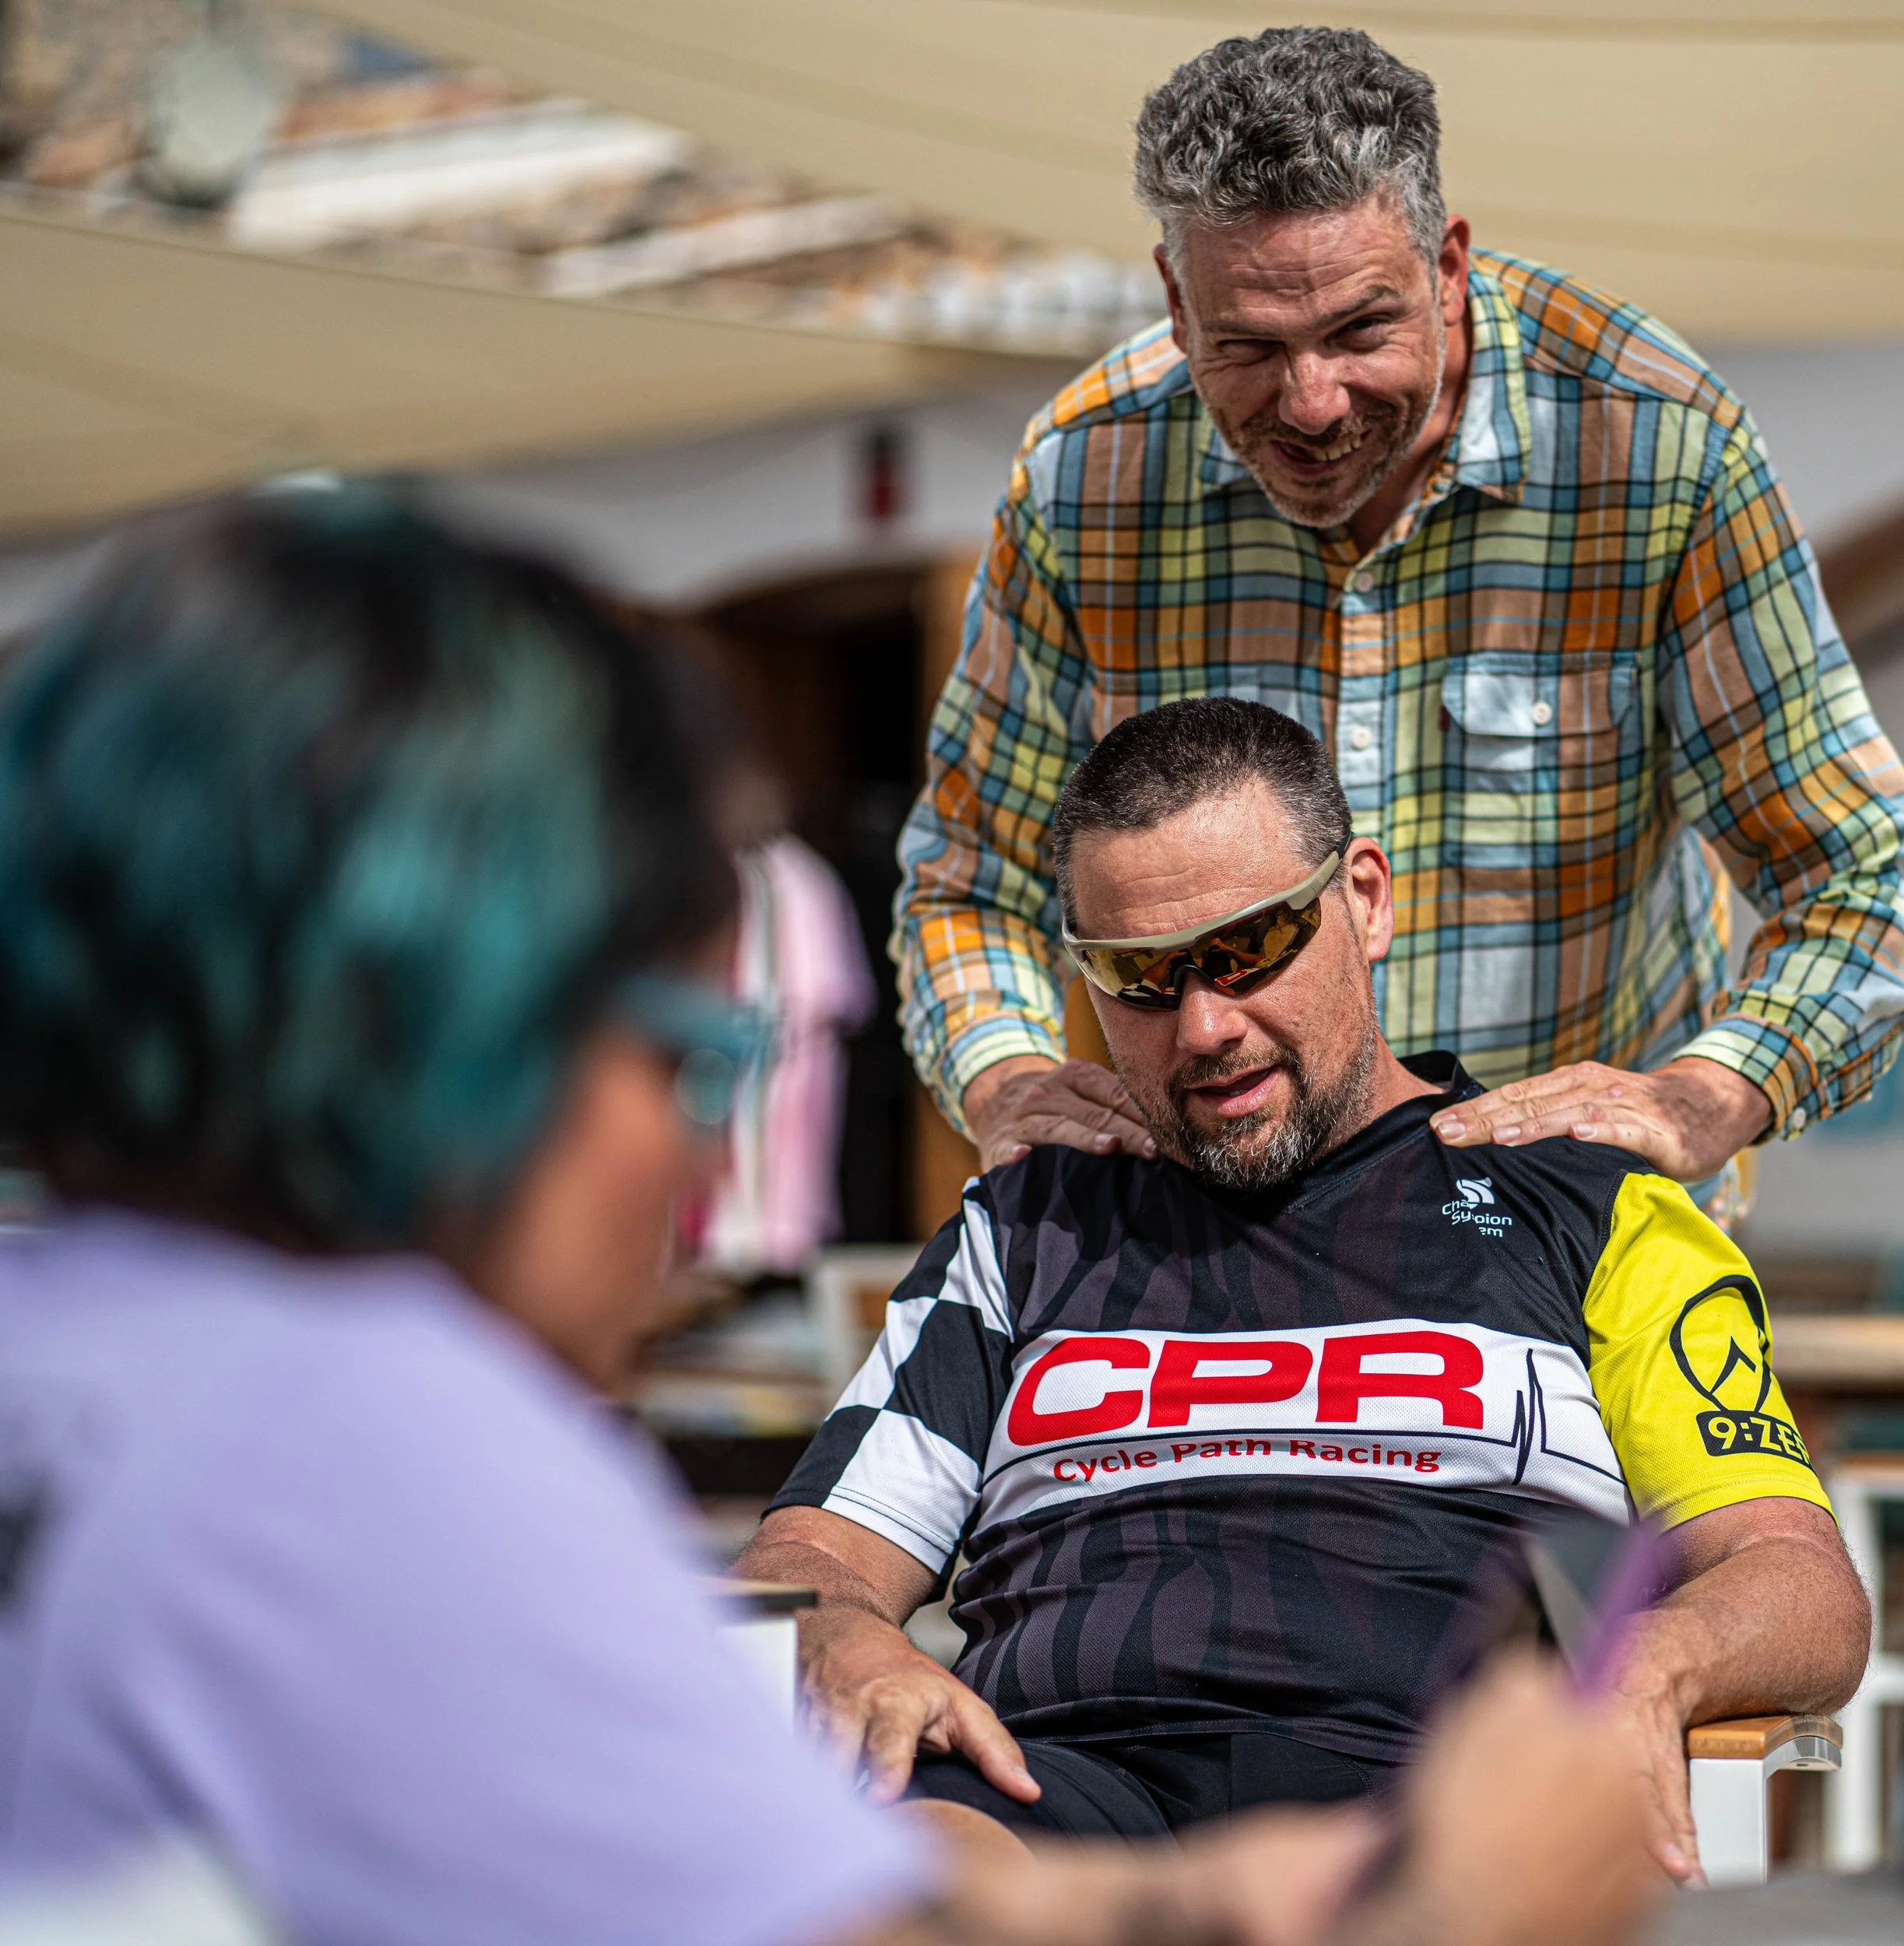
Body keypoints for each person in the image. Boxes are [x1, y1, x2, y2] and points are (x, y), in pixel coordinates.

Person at [0, 492, 1656, 1946]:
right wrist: (1452, 1912)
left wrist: (1209, 1902)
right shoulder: (374, 1457)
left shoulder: (78, 1358)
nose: (694, 1165)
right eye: (697, 1050)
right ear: (462, 1035)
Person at [744, 698, 1870, 1887]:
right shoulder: (1026, 1225)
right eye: (1139, 979)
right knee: (896, 1859)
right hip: (1049, 1809)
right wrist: (848, 1646)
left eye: (1247, 949)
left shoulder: (1589, 1205)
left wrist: (1658, 1659)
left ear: (1365, 901)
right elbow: (803, 1560)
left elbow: (1801, 1585)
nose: (1205, 1025)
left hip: (1436, 1809)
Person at [894, 26, 1904, 1214]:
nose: (1311, 402)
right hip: (1214, 1251)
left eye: (1359, 330)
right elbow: (968, 883)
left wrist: (1701, 1096)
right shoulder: (1086, 483)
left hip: (1573, 1235)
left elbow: (1866, 875)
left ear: (1448, 266)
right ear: (1173, 297)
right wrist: (1008, 1076)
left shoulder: (1658, 449)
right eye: (1246, 345)